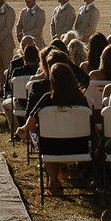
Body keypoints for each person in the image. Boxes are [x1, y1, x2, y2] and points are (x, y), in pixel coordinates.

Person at [21, 61, 93, 197]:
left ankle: (54, 180)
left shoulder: (47, 100)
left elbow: (30, 125)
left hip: (51, 149)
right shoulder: (82, 100)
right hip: (79, 147)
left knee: (42, 137)